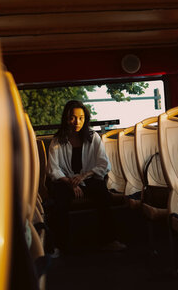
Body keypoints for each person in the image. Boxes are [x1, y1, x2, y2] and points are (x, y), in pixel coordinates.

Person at [47, 100, 126, 252]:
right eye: (73, 117)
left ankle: (109, 240)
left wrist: (84, 176)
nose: (77, 122)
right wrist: (71, 183)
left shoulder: (93, 137)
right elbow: (53, 169)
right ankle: (59, 246)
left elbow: (104, 164)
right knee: (59, 201)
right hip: (64, 181)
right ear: (66, 118)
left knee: (103, 194)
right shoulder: (57, 140)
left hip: (87, 179)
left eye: (81, 118)